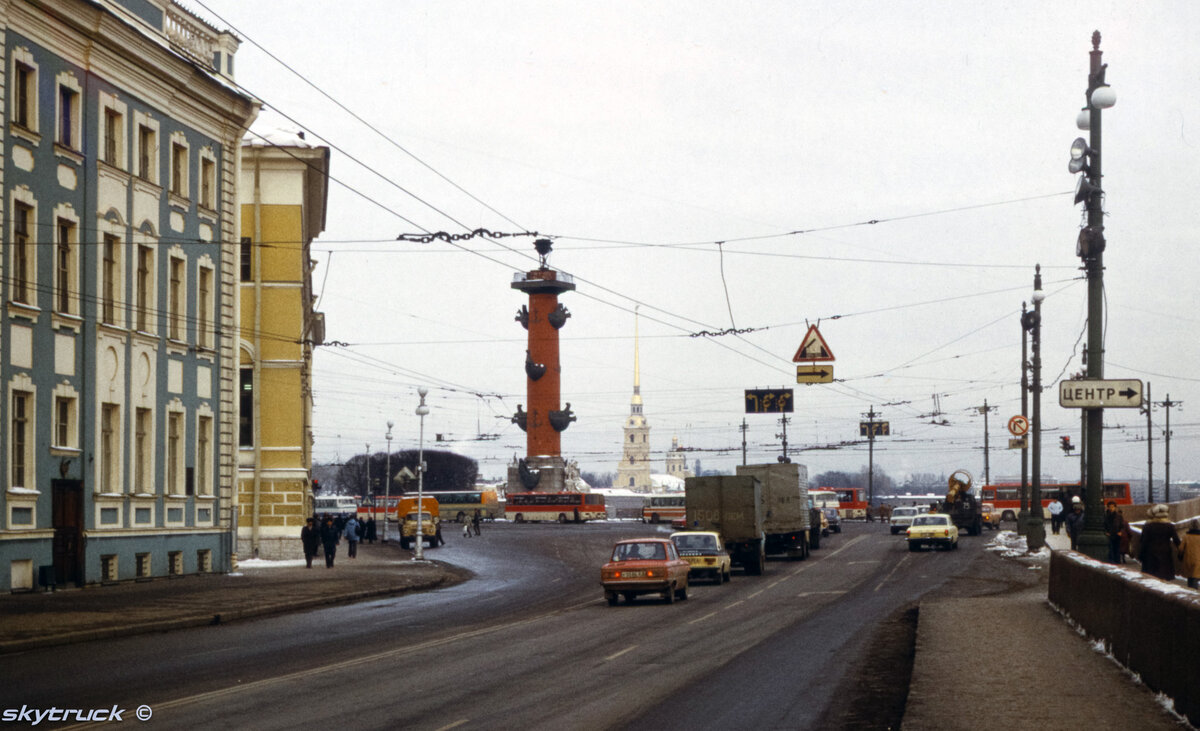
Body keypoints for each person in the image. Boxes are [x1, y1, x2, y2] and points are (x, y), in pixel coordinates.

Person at [1138, 504, 1181, 581]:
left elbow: (1143, 542)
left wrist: (1141, 555)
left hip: (1150, 554)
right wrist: (1182, 551)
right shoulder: (1170, 526)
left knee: (1151, 576)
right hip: (1165, 554)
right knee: (1164, 576)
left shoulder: (1148, 526)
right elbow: (1177, 541)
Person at [1179, 520, 1200, 589]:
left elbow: (1181, 548)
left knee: (1190, 577)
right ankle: (1194, 592)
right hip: (1198, 560)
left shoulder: (1186, 537)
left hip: (1188, 559)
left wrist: (1180, 556)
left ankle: (1190, 590)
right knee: (1195, 577)